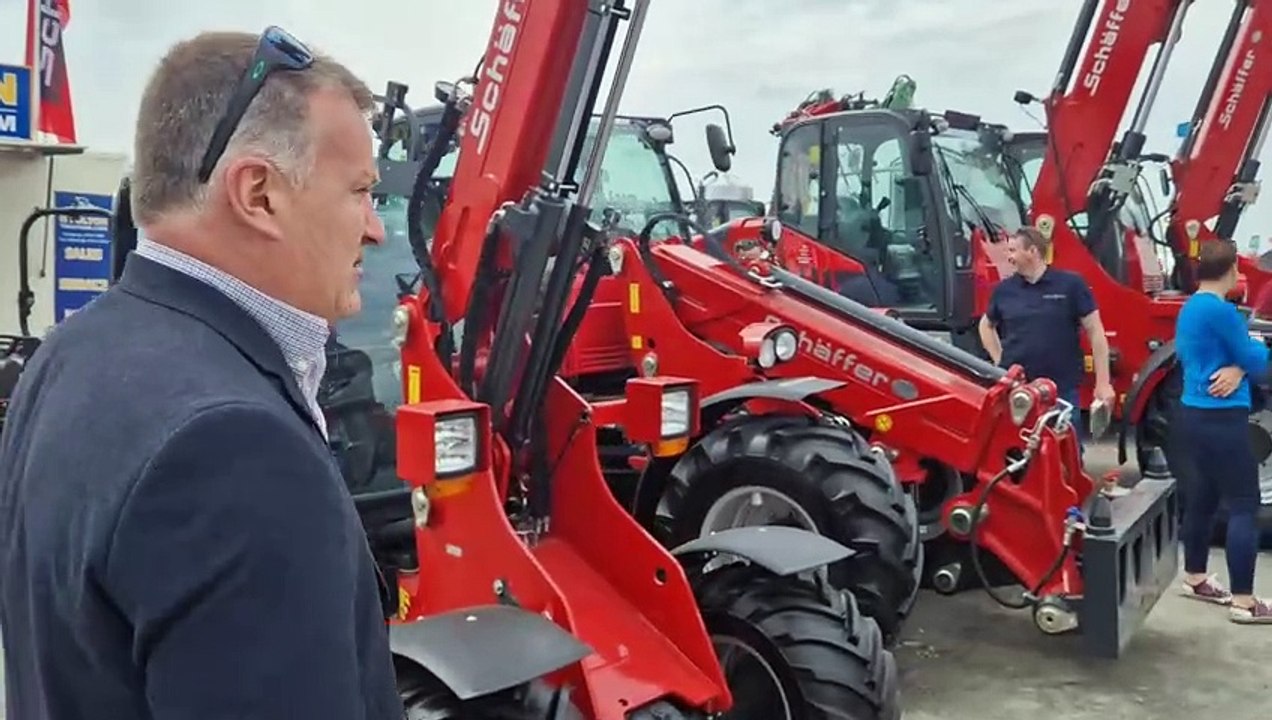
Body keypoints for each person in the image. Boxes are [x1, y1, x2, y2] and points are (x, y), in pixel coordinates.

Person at [0, 27, 404, 717]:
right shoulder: (236, 451)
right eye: (359, 191)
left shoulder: (67, 356)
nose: (376, 228)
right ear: (259, 193)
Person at [1173, 240, 1271, 623]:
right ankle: (1245, 602)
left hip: (1193, 414)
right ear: (1230, 271)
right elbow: (1255, 358)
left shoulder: (1191, 307)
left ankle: (1195, 577)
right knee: (1245, 504)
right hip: (1222, 418)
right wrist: (1249, 359)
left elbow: (1214, 357)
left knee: (1203, 496)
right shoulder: (1223, 311)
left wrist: (1237, 367)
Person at [978, 226, 1116, 443]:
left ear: (1032, 251)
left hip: (1062, 390)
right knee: (1020, 452)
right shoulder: (1004, 291)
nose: (1008, 257)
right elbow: (985, 326)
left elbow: (1096, 332)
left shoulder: (1070, 285)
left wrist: (1103, 382)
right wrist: (1000, 361)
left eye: (1013, 250)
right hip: (1018, 392)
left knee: (1067, 451)